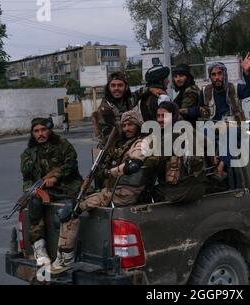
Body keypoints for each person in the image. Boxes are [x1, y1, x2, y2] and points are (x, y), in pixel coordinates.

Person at [51, 110, 158, 272]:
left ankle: (64, 260)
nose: (127, 128)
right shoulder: (123, 143)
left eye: (131, 124)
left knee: (73, 210)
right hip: (114, 190)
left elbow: (133, 165)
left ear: (138, 125)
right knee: (73, 200)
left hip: (124, 194)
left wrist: (111, 172)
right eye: (124, 125)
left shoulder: (140, 143)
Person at [20, 117, 82, 266]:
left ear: (49, 130)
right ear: (32, 133)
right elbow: (27, 179)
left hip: (69, 187)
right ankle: (39, 247)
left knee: (78, 204)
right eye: (36, 131)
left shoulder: (62, 144)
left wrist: (56, 176)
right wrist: (31, 190)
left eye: (43, 130)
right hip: (45, 191)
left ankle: (66, 252)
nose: (40, 134)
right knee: (34, 202)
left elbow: (71, 163)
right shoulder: (28, 154)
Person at [152, 102, 206, 203]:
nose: (159, 120)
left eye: (164, 116)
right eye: (158, 116)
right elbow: (207, 143)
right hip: (197, 187)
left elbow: (156, 161)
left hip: (180, 190)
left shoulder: (172, 134)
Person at [91, 72, 161, 148]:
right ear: (109, 88)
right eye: (113, 85)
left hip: (129, 141)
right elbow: (109, 138)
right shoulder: (105, 108)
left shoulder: (128, 100)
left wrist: (150, 89)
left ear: (126, 87)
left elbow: (139, 93)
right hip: (113, 147)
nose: (116, 88)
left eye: (120, 85)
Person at [196, 52, 250, 122]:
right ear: (210, 77)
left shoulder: (235, 88)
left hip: (234, 131)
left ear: (225, 75)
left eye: (220, 73)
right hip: (213, 131)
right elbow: (198, 112)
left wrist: (246, 72)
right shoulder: (205, 92)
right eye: (213, 74)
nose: (217, 77)